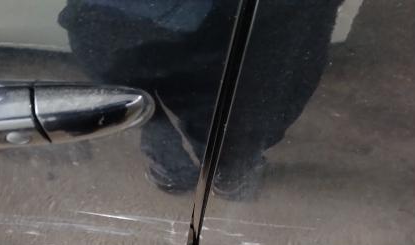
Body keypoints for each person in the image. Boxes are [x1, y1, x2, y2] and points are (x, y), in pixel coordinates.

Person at [59, 1, 342, 199]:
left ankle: (173, 169)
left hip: (102, 18)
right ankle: (227, 174)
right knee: (222, 115)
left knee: (140, 109)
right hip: (215, 23)